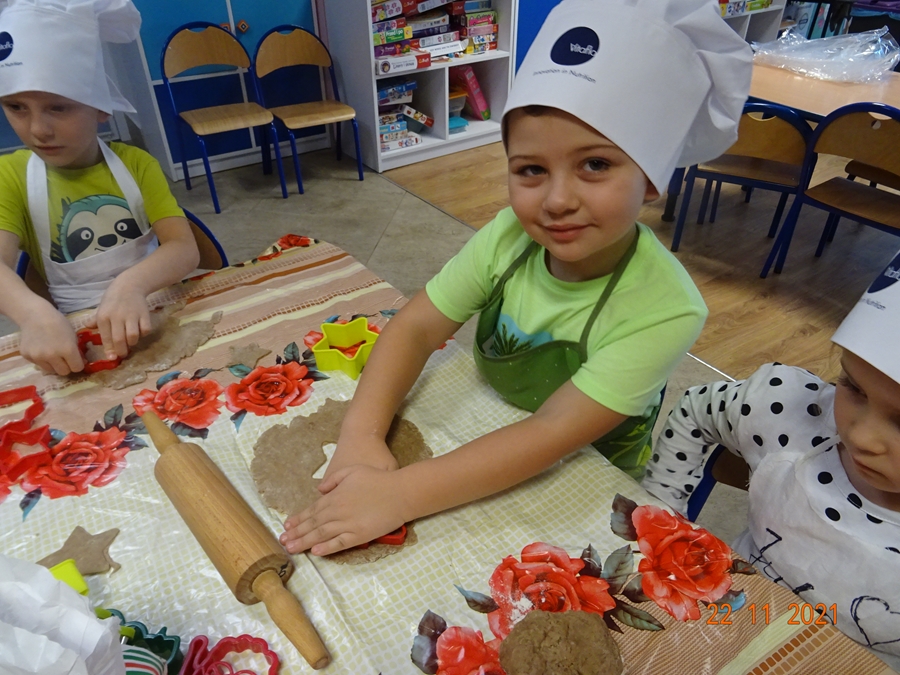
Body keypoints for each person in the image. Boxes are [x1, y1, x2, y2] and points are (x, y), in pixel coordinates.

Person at [280, 0, 752, 557]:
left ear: (651, 179)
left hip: (585, 472)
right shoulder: (508, 235)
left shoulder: (666, 307)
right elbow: (415, 328)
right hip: (489, 424)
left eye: (595, 165)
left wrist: (398, 494)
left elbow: (552, 432)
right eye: (531, 169)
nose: (557, 200)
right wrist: (360, 435)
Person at [641, 253, 900, 670]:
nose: (861, 437)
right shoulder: (790, 411)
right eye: (853, 387)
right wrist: (662, 517)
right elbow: (695, 410)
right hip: (723, 629)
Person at [0, 0, 200, 377]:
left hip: (155, 305)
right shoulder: (9, 176)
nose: (38, 130)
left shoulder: (137, 164)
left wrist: (131, 286)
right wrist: (32, 313)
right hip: (77, 333)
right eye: (16, 107)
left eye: (58, 108)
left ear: (101, 108)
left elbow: (184, 248)